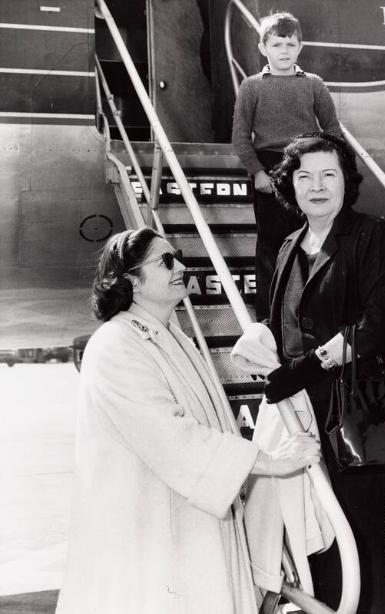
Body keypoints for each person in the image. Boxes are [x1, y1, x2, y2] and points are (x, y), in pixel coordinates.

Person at [55, 227, 321, 614]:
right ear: (132, 281)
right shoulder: (115, 345)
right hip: (149, 539)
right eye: (166, 261)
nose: (181, 265)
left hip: (185, 527)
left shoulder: (172, 338)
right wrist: (274, 462)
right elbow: (173, 439)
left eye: (177, 255)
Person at [261, 133, 385, 614]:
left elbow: (374, 327)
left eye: (329, 174)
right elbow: (284, 323)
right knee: (320, 550)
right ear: (291, 186)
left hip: (358, 418)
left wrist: (306, 367)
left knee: (361, 550)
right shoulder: (287, 246)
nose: (317, 186)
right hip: (303, 417)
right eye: (304, 176)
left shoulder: (371, 236)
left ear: (347, 181)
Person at [232, 11, 342, 321]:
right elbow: (240, 136)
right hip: (270, 167)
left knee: (313, 239)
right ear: (262, 47)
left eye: (290, 44)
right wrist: (257, 172)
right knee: (272, 246)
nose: (284, 51)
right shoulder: (251, 87)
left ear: (299, 48)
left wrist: (339, 168)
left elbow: (332, 129)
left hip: (307, 165)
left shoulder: (313, 84)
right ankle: (271, 317)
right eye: (277, 44)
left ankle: (309, 313)